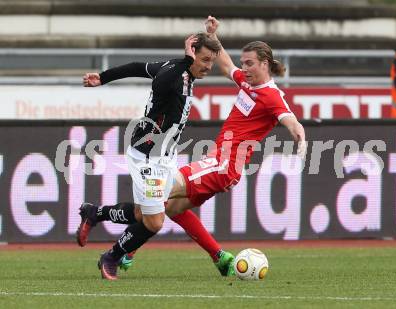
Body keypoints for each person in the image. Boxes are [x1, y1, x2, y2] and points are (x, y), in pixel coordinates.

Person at [78, 16, 306, 279]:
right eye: (243, 63)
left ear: (265, 64)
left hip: (222, 166)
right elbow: (226, 64)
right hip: (213, 161)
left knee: (156, 205)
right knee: (167, 209)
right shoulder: (246, 82)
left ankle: (116, 245)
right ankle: (214, 257)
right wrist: (213, 34)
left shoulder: (272, 95)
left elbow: (290, 119)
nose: (243, 69)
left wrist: (299, 136)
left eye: (250, 64)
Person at [79, 32, 233, 281]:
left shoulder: (178, 70)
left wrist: (104, 77)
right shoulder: (174, 72)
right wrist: (184, 61)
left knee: (144, 214)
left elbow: (137, 67)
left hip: (165, 157)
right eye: (204, 60)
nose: (208, 67)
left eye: (211, 62)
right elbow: (159, 85)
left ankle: (96, 213)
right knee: (155, 222)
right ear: (191, 53)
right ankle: (111, 256)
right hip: (147, 157)